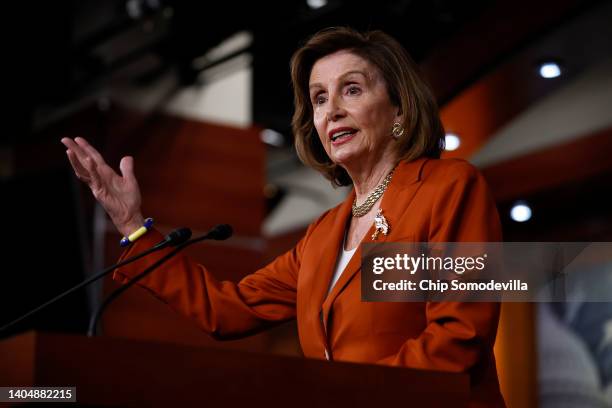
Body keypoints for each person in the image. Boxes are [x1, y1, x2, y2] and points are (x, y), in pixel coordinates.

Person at [61, 27, 505, 407]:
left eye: (352, 89)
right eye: (319, 98)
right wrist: (133, 226)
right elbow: (227, 310)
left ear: (399, 109)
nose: (331, 110)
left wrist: (345, 396)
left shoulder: (448, 188)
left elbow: (458, 337)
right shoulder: (323, 235)